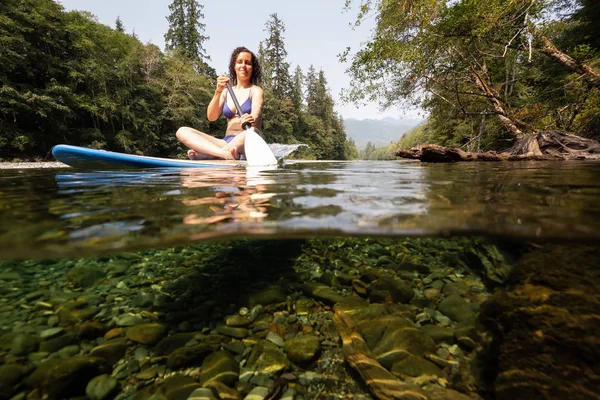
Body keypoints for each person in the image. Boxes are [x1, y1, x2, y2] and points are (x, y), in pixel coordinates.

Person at [176, 46, 264, 160]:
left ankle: (208, 154)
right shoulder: (226, 92)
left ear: (253, 68)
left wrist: (251, 117)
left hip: (247, 138)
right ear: (234, 66)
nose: (243, 65)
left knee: (251, 131)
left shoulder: (256, 90)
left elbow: (257, 109)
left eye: (248, 63)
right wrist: (218, 91)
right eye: (239, 62)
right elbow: (211, 117)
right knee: (182, 131)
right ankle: (223, 154)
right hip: (225, 142)